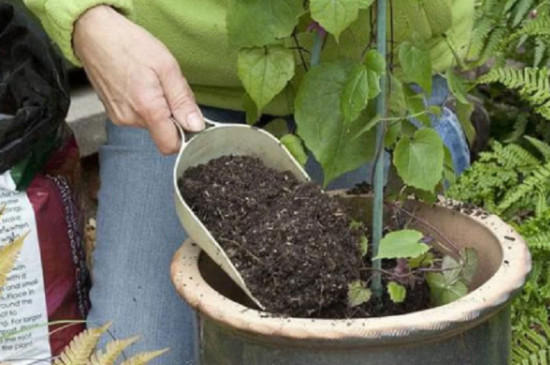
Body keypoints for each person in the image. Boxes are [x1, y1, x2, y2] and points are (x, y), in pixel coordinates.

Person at [23, 1, 475, 363]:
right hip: (173, 81)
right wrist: (84, 16)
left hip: (383, 80)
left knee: (393, 326)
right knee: (136, 352)